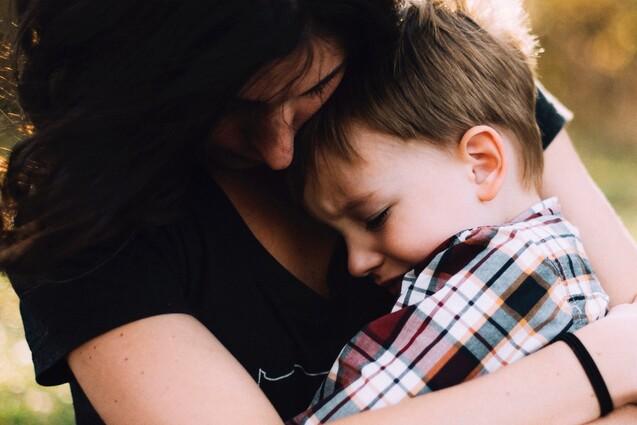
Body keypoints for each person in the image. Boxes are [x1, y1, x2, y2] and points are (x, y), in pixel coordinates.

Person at [0, 1, 636, 424]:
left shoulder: (443, 84)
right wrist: (596, 366)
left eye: (311, 88)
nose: (280, 150)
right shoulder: (83, 211)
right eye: (229, 109)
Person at [288, 1, 611, 422]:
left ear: (481, 164)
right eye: (339, 234)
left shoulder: (512, 272)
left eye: (375, 217)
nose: (355, 262)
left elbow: (352, 414)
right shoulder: (546, 257)